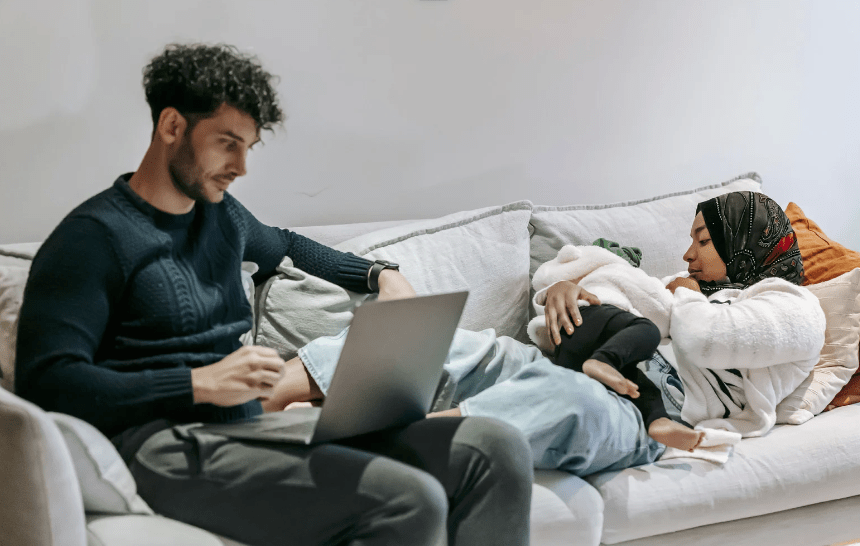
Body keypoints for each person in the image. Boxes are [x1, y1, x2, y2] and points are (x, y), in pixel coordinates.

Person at [14, 43, 533, 546]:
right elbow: (48, 382)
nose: (241, 167)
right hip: (162, 446)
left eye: (248, 147)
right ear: (172, 126)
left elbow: (287, 244)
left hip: (247, 428)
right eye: (227, 143)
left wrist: (381, 275)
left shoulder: (223, 217)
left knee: (495, 446)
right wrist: (196, 384)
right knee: (407, 499)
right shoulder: (91, 239)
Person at [415, 191, 823, 474]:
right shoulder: (692, 290)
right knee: (467, 349)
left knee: (571, 400)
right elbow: (631, 303)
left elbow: (701, 337)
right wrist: (566, 288)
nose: (687, 255)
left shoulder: (797, 309)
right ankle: (354, 393)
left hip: (645, 410)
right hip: (583, 360)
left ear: (744, 242)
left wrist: (687, 294)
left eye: (703, 240)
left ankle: (407, 440)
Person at [526, 240, 703, 451]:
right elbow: (658, 308)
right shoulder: (615, 271)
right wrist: (682, 300)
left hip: (569, 349)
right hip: (595, 317)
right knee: (648, 331)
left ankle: (658, 422)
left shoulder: (566, 286)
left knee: (639, 387)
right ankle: (603, 361)